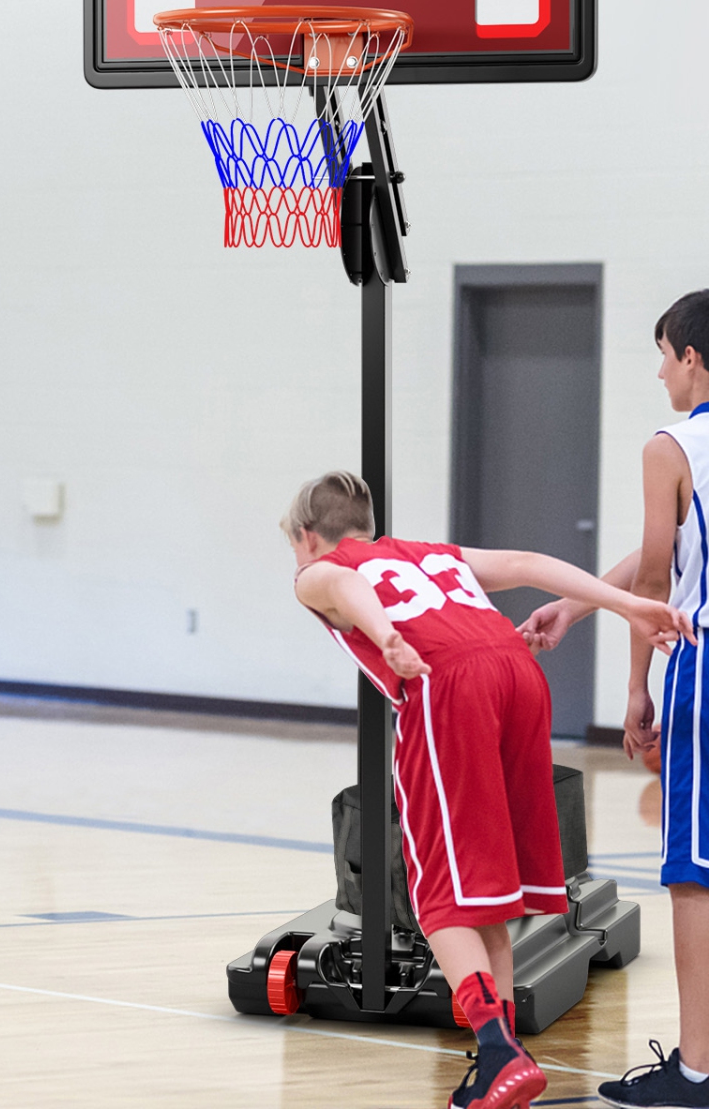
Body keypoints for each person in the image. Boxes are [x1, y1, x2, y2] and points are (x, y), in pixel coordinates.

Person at [285, 470, 691, 1109]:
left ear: (308, 536)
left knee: (438, 897)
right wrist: (626, 604)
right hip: (517, 673)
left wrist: (387, 635)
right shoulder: (429, 556)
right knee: (488, 892)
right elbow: (527, 562)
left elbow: (344, 582)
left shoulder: (319, 570)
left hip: (447, 686)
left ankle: (498, 1051)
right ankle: (500, 1064)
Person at [521, 289, 709, 1108]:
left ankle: (699, 1074)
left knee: (694, 875)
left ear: (693, 359)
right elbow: (668, 543)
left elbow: (663, 578)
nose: (660, 371)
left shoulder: (672, 444)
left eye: (664, 354)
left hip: (704, 668)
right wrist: (581, 597)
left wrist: (636, 686)